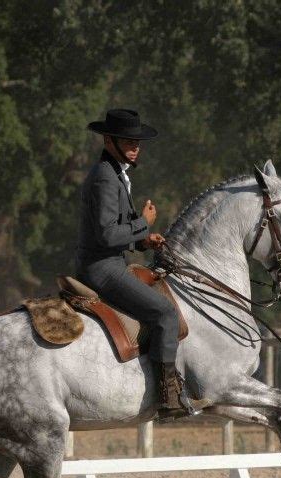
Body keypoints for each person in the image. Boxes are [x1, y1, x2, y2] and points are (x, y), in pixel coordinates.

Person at [76, 108, 207, 420]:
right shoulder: (105, 178)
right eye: (128, 140)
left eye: (138, 141)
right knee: (164, 313)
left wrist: (143, 241)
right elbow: (107, 236)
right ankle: (168, 397)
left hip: (112, 261)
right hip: (102, 268)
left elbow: (114, 231)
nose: (136, 146)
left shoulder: (116, 174)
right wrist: (143, 224)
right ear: (109, 140)